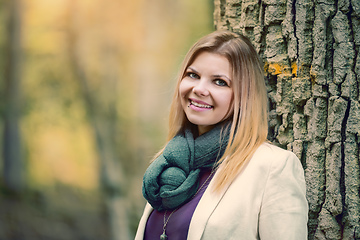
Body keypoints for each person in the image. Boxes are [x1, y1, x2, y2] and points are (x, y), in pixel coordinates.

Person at [135, 30, 308, 240]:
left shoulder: (273, 167)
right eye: (193, 75)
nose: (199, 88)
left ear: (244, 96)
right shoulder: (171, 161)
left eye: (219, 82)